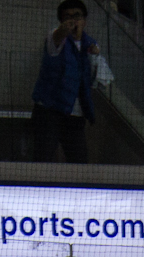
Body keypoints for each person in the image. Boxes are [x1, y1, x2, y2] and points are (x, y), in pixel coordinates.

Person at [31, 0, 98, 163]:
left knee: (80, 162)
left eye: (76, 16)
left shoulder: (91, 45)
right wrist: (63, 31)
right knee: (42, 160)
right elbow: (56, 38)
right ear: (61, 21)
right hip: (49, 111)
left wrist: (93, 55)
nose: (72, 20)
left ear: (84, 20)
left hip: (75, 115)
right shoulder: (55, 37)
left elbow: (97, 78)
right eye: (67, 17)